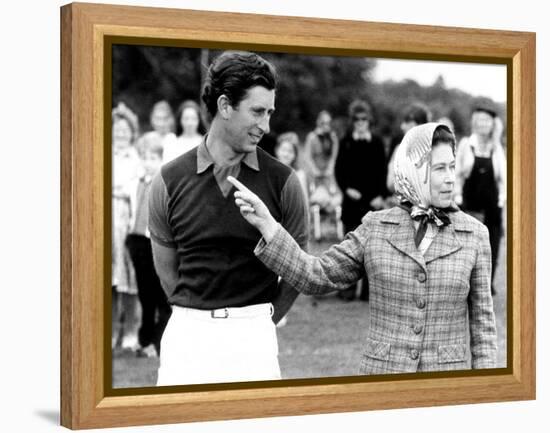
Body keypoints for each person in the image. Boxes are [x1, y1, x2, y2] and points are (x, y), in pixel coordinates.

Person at [230, 122, 497, 374]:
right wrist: (269, 227)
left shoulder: (475, 235)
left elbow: (483, 330)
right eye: (439, 169)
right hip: (383, 381)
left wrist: (485, 393)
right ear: (414, 169)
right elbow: (316, 276)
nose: (451, 178)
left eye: (452, 167)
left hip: (446, 389)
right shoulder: (376, 227)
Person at [148, 51, 309, 385]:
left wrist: (260, 321)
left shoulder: (285, 182)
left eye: (270, 113)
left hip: (255, 340)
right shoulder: (167, 181)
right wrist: (197, 314)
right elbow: (167, 273)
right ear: (224, 106)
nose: (266, 126)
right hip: (186, 339)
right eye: (257, 112)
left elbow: (298, 269)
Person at [334, 99, 387, 301]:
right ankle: (347, 291)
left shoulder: (377, 142)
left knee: (371, 250)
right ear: (352, 121)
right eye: (357, 119)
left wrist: (380, 195)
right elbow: (339, 170)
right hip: (351, 203)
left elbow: (382, 169)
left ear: (369, 120)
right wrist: (347, 189)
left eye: (364, 119)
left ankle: (367, 293)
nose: (360, 122)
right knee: (349, 248)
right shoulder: (346, 141)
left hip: (372, 203)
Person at [125, 139, 173, 358]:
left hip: (155, 242)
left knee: (159, 294)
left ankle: (158, 341)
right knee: (144, 295)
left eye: (152, 158)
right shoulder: (136, 182)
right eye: (144, 158)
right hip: (137, 241)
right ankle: (144, 340)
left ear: (160, 160)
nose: (148, 162)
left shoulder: (164, 184)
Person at [454, 100, 506, 294]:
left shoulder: (497, 148)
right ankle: (464, 287)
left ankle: (485, 287)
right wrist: (457, 196)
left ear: (493, 124)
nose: (484, 124)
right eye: (480, 120)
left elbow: (503, 179)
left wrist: (501, 199)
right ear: (475, 122)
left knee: (491, 248)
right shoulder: (466, 144)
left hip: (492, 207)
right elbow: (457, 173)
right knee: (467, 249)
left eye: (488, 121)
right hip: (469, 206)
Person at [111, 102, 141, 350]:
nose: (120, 134)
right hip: (105, 221)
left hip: (128, 221)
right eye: (116, 129)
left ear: (132, 132)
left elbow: (136, 189)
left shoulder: (136, 159)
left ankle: (131, 331)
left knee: (129, 277)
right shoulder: (103, 153)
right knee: (107, 278)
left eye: (125, 130)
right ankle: (110, 331)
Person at [303, 110, 343, 240]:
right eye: (323, 122)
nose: (326, 125)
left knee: (336, 197)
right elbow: (308, 157)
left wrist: (330, 169)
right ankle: (319, 227)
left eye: (328, 122)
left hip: (328, 175)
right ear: (318, 122)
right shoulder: (312, 137)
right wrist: (315, 170)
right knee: (316, 197)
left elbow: (334, 157)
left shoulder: (332, 137)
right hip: (315, 176)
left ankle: (331, 226)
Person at [386, 102, 431, 195]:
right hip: (403, 205)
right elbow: (390, 184)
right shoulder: (399, 150)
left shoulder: (433, 150)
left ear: (420, 124)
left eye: (407, 122)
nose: (402, 126)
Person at [162, 100, 205, 164]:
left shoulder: (204, 142)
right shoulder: (172, 141)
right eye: (186, 118)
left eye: (193, 118)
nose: (189, 123)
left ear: (199, 120)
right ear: (180, 120)